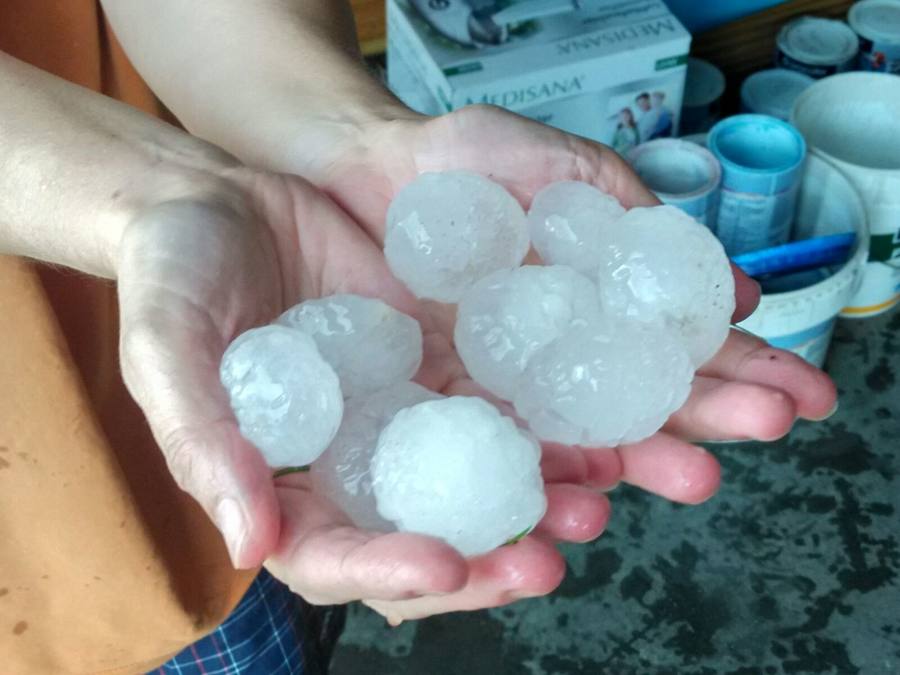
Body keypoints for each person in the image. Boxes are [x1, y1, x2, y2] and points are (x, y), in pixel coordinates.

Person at [0, 2, 838, 673]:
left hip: (233, 434)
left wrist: (332, 134)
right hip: (37, 534)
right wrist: (144, 199)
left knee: (263, 580)